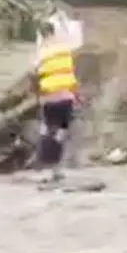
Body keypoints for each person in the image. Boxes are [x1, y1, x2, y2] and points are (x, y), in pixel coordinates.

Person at [30, 21, 80, 182]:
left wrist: (37, 93)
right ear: (54, 32)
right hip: (67, 97)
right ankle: (57, 168)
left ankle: (43, 165)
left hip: (49, 97)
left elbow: (33, 74)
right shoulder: (65, 49)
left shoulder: (41, 52)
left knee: (46, 129)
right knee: (61, 132)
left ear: (41, 34)